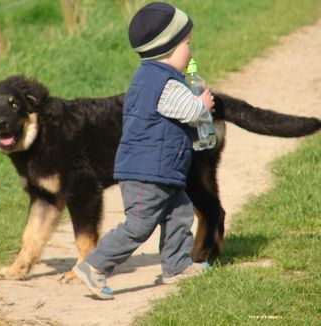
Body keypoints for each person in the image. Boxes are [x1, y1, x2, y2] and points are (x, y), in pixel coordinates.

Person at [73, 1, 215, 300]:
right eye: (187, 44)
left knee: (180, 213)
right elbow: (190, 112)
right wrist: (202, 104)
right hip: (146, 172)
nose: (190, 51)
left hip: (161, 169)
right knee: (138, 225)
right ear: (169, 49)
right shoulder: (165, 83)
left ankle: (176, 266)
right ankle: (94, 266)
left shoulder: (148, 77)